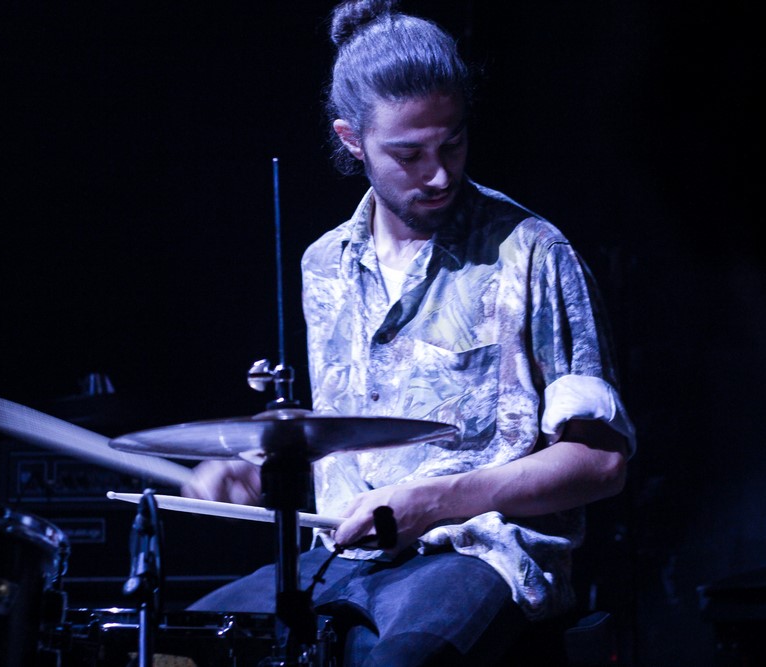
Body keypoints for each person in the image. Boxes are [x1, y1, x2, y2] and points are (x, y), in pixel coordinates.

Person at [180, 1, 636, 665]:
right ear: (351, 139)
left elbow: (601, 461)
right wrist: (254, 470)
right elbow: (351, 435)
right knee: (185, 646)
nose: (440, 173)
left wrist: (434, 500)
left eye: (452, 143)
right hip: (345, 558)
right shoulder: (324, 265)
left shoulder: (532, 252)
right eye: (409, 154)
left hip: (481, 553)